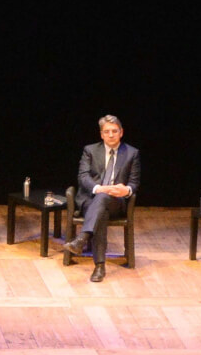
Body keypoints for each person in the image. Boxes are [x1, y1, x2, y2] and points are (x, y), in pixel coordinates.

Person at [59, 114, 140, 283]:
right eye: (107, 131)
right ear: (101, 134)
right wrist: (99, 188)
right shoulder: (90, 150)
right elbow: (83, 176)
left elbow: (134, 183)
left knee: (104, 200)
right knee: (101, 209)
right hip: (90, 200)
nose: (111, 135)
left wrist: (126, 190)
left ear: (121, 132)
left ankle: (82, 239)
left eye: (114, 131)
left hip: (116, 202)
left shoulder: (132, 153)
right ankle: (99, 266)